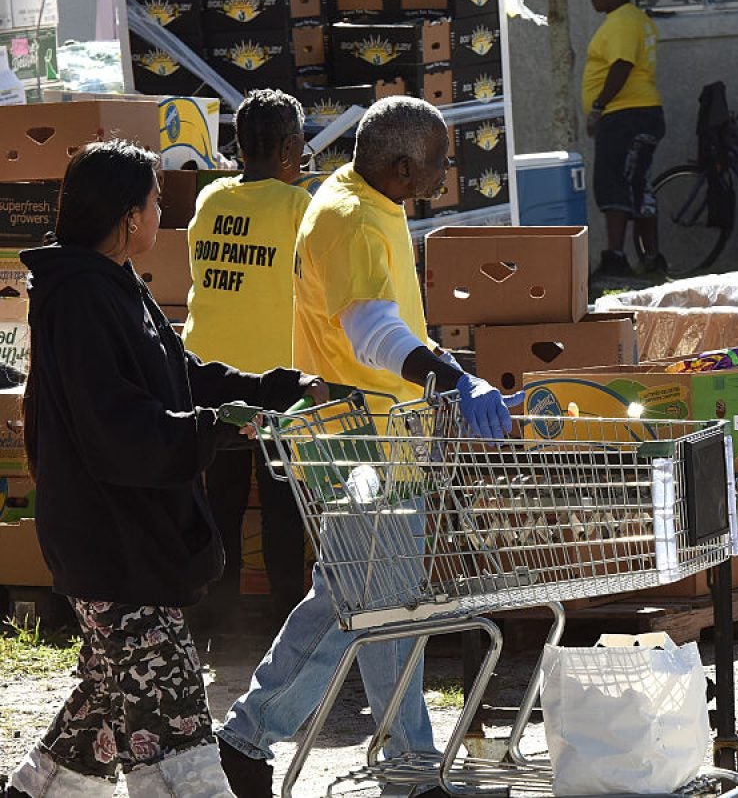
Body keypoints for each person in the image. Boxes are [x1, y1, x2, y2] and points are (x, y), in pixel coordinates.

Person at [3, 141, 324, 798]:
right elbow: (117, 423)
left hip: (126, 535)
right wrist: (215, 427)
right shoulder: (81, 296)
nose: (159, 215)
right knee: (173, 719)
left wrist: (276, 389)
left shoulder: (114, 284)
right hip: (112, 539)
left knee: (105, 704)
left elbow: (180, 374)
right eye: (155, 202)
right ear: (129, 217)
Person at [217, 96, 515, 798]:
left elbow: (391, 320)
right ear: (403, 166)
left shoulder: (367, 201)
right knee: (362, 606)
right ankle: (251, 736)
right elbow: (371, 332)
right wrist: (452, 380)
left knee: (382, 605)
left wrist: (441, 362)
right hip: (362, 446)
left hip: (380, 439)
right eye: (439, 163)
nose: (446, 175)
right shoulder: (350, 219)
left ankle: (405, 761)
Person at [184, 89, 313, 629]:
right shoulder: (299, 207)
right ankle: (285, 625)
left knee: (222, 501)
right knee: (282, 504)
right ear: (288, 148)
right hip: (273, 385)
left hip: (209, 378)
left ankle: (216, 623)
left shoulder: (211, 198)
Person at [583, 0, 667, 280]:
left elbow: (622, 65)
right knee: (639, 184)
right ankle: (652, 259)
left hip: (625, 115)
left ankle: (616, 258)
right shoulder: (635, 19)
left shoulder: (621, 21)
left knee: (613, 182)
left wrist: (598, 107)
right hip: (642, 114)